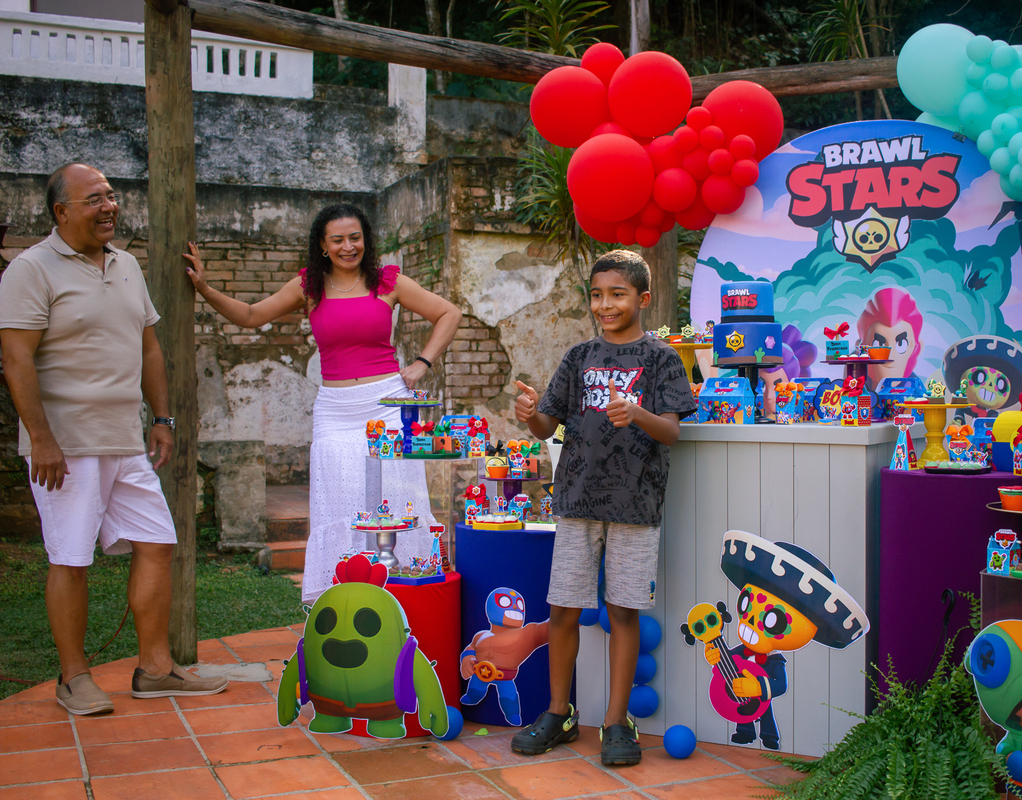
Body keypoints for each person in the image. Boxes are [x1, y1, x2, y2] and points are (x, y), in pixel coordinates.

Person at [0, 163, 228, 715]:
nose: (110, 207)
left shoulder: (125, 264)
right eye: (94, 199)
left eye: (111, 196)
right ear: (61, 212)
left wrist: (163, 417)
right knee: (70, 558)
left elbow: (147, 346)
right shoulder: (30, 270)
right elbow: (16, 358)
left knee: (158, 542)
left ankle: (154, 668)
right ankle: (73, 677)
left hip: (126, 440)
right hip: (66, 446)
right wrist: (42, 437)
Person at [183, 204, 462, 603]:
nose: (349, 247)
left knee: (397, 500)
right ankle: (343, 597)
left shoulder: (388, 281)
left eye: (355, 238)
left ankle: (402, 593)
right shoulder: (308, 286)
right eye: (338, 240)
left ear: (365, 239)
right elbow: (249, 315)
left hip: (385, 403)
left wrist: (421, 363)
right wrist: (206, 289)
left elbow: (449, 313)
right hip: (335, 408)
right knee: (339, 500)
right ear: (323, 245)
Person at [509, 250, 696, 766]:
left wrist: (636, 412)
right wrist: (529, 413)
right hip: (575, 500)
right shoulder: (578, 357)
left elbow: (673, 431)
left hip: (636, 504)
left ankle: (616, 722)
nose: (605, 304)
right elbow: (548, 426)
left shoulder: (661, 359)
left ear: (643, 297)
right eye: (597, 295)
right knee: (563, 607)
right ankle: (559, 714)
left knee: (621, 611)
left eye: (617, 294)